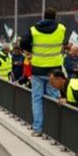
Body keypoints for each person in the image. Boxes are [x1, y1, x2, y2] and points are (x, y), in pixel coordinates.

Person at [21, 8, 66, 137]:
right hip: (54, 70)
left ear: (43, 16)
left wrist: (32, 50)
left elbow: (23, 42)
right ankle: (54, 130)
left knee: (37, 99)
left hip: (38, 69)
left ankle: (37, 128)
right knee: (54, 98)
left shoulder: (33, 30)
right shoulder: (61, 28)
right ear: (55, 16)